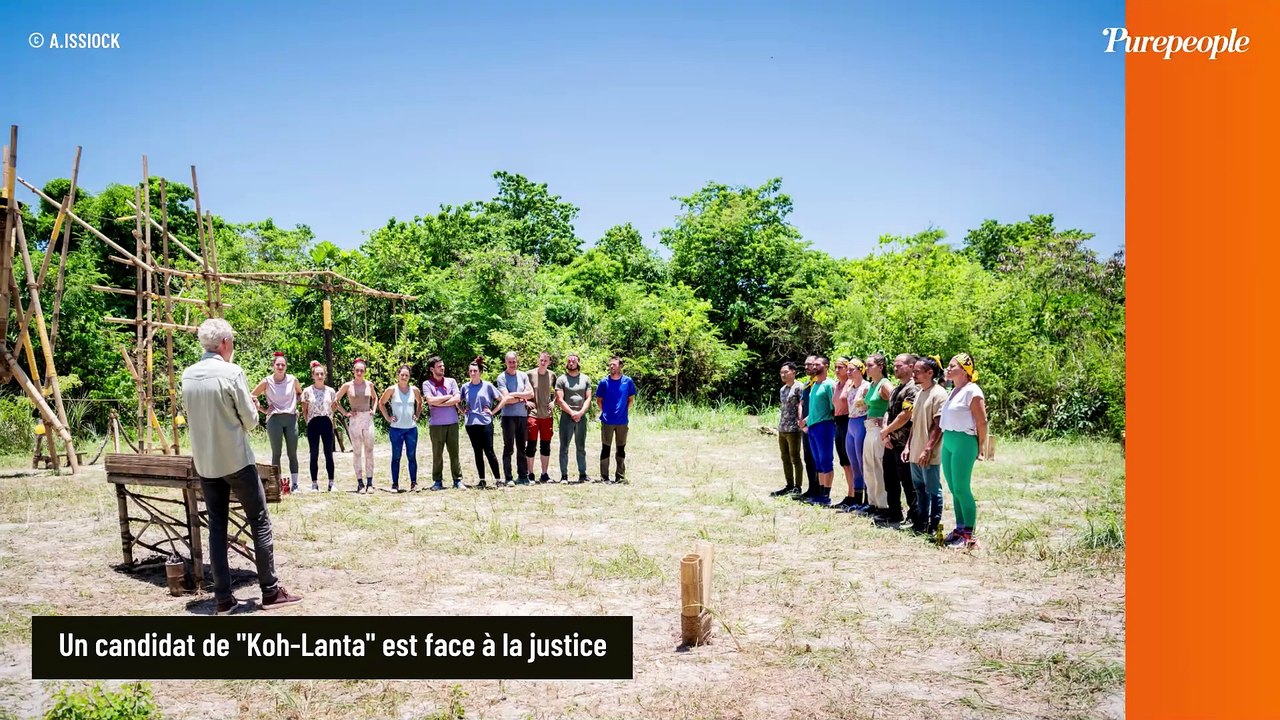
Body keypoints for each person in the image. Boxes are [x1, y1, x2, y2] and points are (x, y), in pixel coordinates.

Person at [180, 318, 301, 615]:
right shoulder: (232, 372)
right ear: (223, 343)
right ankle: (270, 591)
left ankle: (223, 598)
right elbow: (250, 419)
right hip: (236, 459)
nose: (232, 344)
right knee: (259, 521)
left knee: (217, 528)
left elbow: (189, 414)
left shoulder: (188, 375)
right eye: (231, 340)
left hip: (206, 463)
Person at [940, 353, 988, 548]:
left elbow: (982, 421)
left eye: (953, 366)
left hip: (964, 442)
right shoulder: (954, 390)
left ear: (965, 370)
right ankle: (959, 528)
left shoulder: (973, 391)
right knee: (953, 489)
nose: (948, 369)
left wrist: (982, 447)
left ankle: (969, 534)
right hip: (949, 440)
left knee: (962, 487)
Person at [906, 356, 948, 536]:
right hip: (915, 450)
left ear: (930, 373)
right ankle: (921, 522)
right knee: (919, 489)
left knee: (932, 489)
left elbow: (938, 425)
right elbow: (914, 424)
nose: (913, 374)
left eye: (917, 371)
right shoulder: (920, 392)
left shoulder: (939, 394)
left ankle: (934, 524)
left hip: (928, 452)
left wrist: (928, 448)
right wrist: (908, 446)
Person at [877, 353, 919, 527]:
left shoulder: (912, 389)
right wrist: (886, 434)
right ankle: (894, 512)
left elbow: (906, 415)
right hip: (890, 442)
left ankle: (914, 514)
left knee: (908, 481)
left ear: (911, 366)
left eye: (899, 365)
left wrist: (887, 430)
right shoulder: (895, 389)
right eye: (894, 365)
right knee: (890, 479)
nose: (895, 368)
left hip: (904, 444)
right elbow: (889, 411)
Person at [251, 352, 301, 493]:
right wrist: (263, 409)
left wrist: (295, 405)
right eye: (278, 364)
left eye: (283, 365)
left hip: (290, 418)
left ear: (286, 367)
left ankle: (295, 485)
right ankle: (276, 484)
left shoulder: (292, 380)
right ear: (273, 366)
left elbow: (299, 393)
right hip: (274, 420)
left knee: (293, 453)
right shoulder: (267, 381)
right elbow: (252, 396)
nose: (280, 367)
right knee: (276, 453)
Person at [335, 358, 378, 493]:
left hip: (367, 418)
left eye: (362, 370)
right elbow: (335, 400)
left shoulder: (369, 384)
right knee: (357, 451)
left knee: (369, 450)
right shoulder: (348, 385)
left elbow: (375, 398)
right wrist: (345, 412)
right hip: (354, 419)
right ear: (353, 371)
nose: (359, 372)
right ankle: (360, 482)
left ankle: (370, 482)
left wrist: (373, 410)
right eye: (357, 370)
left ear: (365, 371)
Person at [799, 355, 837, 505]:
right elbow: (814, 408)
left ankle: (826, 496)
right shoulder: (814, 385)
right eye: (812, 365)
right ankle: (820, 493)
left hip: (825, 426)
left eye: (817, 364)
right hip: (813, 427)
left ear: (826, 366)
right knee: (818, 462)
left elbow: (833, 407)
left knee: (826, 460)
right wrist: (805, 421)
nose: (814, 367)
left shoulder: (829, 385)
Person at [423, 356, 464, 490]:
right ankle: (437, 481)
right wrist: (447, 397)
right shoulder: (427, 384)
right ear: (432, 369)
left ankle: (457, 480)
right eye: (439, 366)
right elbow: (430, 401)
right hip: (436, 425)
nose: (442, 368)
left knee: (454, 453)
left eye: (443, 365)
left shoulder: (451, 381)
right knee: (437, 454)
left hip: (452, 423)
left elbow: (457, 398)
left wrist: (439, 402)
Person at [379, 365, 422, 492]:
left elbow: (420, 403)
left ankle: (414, 483)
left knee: (411, 456)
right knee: (396, 457)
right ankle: (395, 484)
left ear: (409, 376)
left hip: (411, 429)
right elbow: (381, 403)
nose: (404, 377)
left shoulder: (414, 390)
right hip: (396, 429)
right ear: (398, 375)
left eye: (406, 375)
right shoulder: (392, 390)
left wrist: (417, 415)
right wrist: (388, 417)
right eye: (402, 375)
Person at [494, 351, 534, 486]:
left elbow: (531, 394)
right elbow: (506, 399)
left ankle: (523, 476)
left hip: (522, 416)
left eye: (514, 361)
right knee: (509, 447)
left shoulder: (523, 376)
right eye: (509, 362)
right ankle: (508, 477)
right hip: (508, 417)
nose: (512, 364)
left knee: (522, 447)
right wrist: (522, 397)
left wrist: (516, 395)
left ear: (517, 362)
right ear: (505, 362)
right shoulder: (501, 378)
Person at [861, 353, 894, 517]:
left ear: (880, 367)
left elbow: (894, 403)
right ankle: (872, 502)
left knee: (878, 467)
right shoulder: (872, 384)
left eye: (870, 365)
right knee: (869, 467)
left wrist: (887, 427)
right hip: (869, 428)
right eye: (866, 365)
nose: (867, 368)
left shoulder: (884, 384)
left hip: (878, 429)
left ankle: (884, 505)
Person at [596, 355, 637, 484]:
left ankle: (620, 476)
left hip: (622, 422)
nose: (611, 366)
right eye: (610, 365)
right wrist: (606, 412)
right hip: (607, 421)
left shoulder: (627, 381)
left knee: (621, 449)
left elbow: (631, 400)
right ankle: (604, 477)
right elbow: (599, 401)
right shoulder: (604, 382)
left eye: (614, 364)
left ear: (620, 366)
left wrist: (623, 411)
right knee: (605, 448)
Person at [462, 357, 502, 488]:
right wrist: (462, 410)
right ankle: (482, 479)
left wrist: (493, 411)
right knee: (477, 451)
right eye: (470, 371)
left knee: (489, 451)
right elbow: (457, 400)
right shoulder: (465, 387)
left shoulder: (487, 385)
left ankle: (498, 479)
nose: (472, 373)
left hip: (485, 422)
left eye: (475, 371)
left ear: (480, 372)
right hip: (471, 423)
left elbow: (502, 399)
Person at [300, 360, 337, 492]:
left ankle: (331, 482)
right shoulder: (307, 391)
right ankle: (314, 483)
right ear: (313, 376)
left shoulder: (331, 391)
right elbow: (304, 409)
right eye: (317, 374)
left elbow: (333, 407)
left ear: (324, 375)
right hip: (313, 423)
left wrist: (331, 420)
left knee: (329, 453)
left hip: (327, 422)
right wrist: (308, 422)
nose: (320, 376)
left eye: (322, 374)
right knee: (313, 453)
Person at [838, 358, 870, 513]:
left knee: (862, 462)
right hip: (851, 422)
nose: (848, 372)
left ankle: (867, 500)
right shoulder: (850, 386)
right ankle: (856, 499)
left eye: (852, 369)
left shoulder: (866, 387)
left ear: (861, 370)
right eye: (848, 369)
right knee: (854, 463)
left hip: (861, 422)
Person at [555, 353, 592, 483]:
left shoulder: (585, 379)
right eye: (569, 361)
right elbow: (559, 400)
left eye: (574, 361)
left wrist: (580, 413)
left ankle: (583, 474)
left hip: (581, 416)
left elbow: (588, 398)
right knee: (564, 447)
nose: (571, 363)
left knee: (581, 446)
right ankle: (564, 476)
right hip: (566, 416)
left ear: (578, 363)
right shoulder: (561, 379)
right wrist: (572, 413)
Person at [770, 361, 805, 497]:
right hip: (783, 427)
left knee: (795, 457)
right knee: (785, 457)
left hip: (794, 429)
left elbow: (802, 406)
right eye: (781, 373)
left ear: (794, 372)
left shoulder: (799, 387)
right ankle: (789, 485)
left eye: (786, 372)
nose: (783, 375)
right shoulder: (783, 389)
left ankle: (798, 486)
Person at [525, 352, 558, 483]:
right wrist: (525, 402)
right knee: (531, 445)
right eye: (541, 360)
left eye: (546, 360)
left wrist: (554, 402)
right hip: (533, 415)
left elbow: (559, 391)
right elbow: (521, 389)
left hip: (547, 416)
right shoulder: (529, 374)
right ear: (538, 360)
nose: (543, 362)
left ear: (549, 362)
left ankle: (544, 474)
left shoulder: (552, 375)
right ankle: (530, 473)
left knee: (546, 445)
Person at [793, 356, 821, 502]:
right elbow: (801, 404)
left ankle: (820, 490)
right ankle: (811, 488)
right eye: (805, 365)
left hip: (816, 425)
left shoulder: (821, 384)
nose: (807, 367)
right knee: (808, 458)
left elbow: (819, 406)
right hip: (804, 426)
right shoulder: (806, 384)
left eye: (810, 364)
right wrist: (801, 421)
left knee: (818, 459)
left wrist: (808, 420)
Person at [829, 358, 855, 508]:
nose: (837, 370)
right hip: (837, 422)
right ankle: (850, 492)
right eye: (836, 367)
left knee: (851, 459)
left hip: (847, 421)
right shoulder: (836, 385)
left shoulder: (850, 385)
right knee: (844, 461)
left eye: (841, 367)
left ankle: (855, 494)